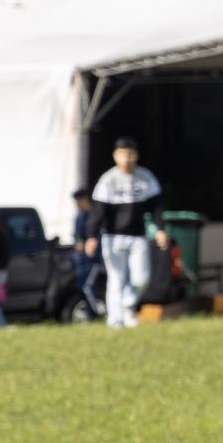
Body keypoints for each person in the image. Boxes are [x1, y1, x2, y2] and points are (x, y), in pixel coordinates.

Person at [82, 137, 167, 329]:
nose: (126, 158)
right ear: (115, 156)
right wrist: (91, 236)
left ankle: (129, 304)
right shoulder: (108, 180)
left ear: (136, 155)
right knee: (116, 279)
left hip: (138, 236)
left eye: (130, 154)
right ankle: (116, 321)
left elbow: (156, 207)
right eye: (122, 154)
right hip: (112, 237)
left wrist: (161, 229)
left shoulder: (145, 177)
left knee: (141, 278)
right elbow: (98, 211)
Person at [70, 186, 104, 319]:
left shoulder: (94, 215)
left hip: (94, 259)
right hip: (82, 259)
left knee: (87, 286)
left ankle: (97, 313)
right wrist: (78, 243)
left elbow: (100, 236)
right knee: (81, 286)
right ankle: (91, 312)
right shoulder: (79, 217)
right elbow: (77, 235)